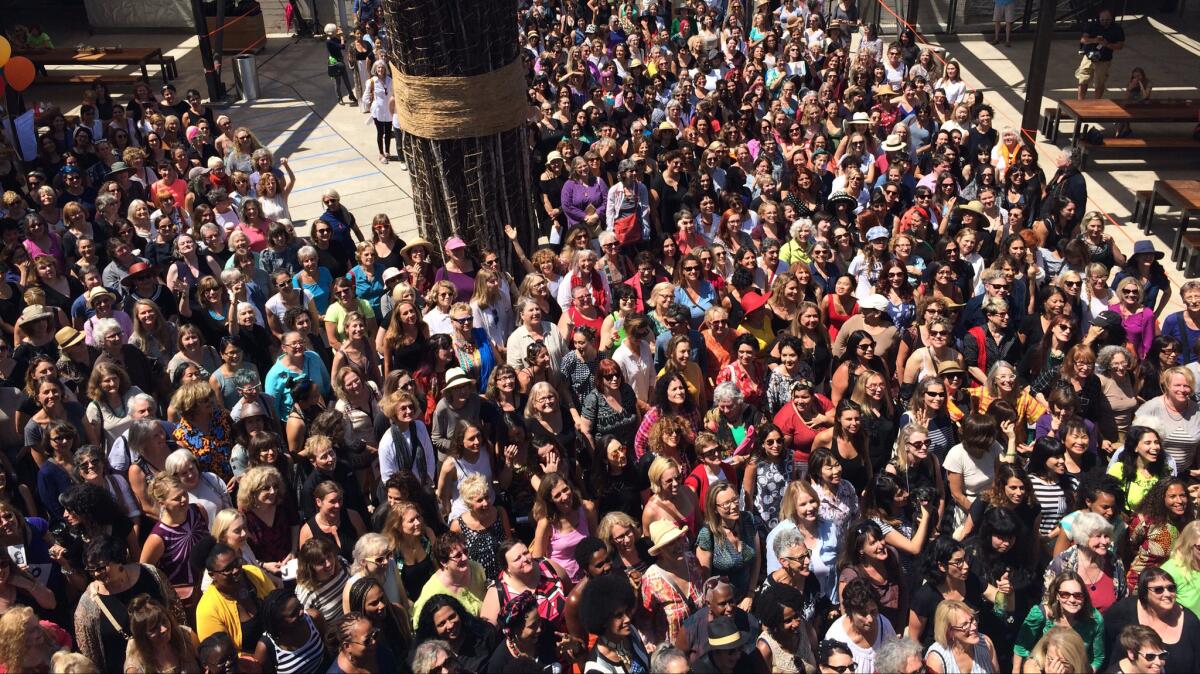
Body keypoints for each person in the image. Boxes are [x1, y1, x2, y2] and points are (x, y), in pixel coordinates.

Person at [73, 536, 183, 673]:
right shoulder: (89, 603)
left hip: (168, 663)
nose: (96, 573)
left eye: (101, 567)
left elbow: (175, 611)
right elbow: (89, 654)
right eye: (91, 569)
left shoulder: (151, 574)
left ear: (118, 560)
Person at [1013, 571, 1105, 672]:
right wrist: (1016, 670)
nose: (1072, 599)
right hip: (1042, 667)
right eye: (1065, 594)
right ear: (1057, 595)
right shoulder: (1041, 614)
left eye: (1078, 595)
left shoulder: (1094, 619)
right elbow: (1021, 647)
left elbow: (1097, 658)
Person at [1076, 9, 1125, 100]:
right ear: (1099, 18)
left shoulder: (1117, 29)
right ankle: (1080, 101)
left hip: (1104, 59)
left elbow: (1120, 45)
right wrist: (1095, 40)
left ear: (1112, 19)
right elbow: (1083, 40)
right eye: (1102, 20)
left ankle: (1096, 102)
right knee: (1083, 80)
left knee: (1099, 83)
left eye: (1107, 20)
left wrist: (1107, 44)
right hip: (1089, 57)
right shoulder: (1092, 26)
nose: (1105, 22)